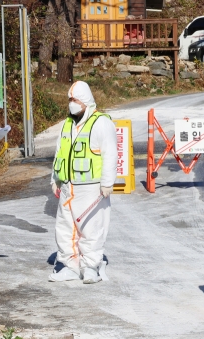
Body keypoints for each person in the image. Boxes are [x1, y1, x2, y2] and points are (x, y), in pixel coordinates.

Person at [49, 81, 117, 284]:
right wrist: (55, 179)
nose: (71, 104)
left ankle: (91, 267)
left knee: (91, 228)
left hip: (91, 188)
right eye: (70, 100)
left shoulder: (101, 123)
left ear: (85, 101)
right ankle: (70, 265)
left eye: (75, 100)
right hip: (68, 186)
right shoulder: (67, 124)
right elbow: (59, 152)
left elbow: (110, 154)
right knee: (65, 227)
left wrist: (107, 183)